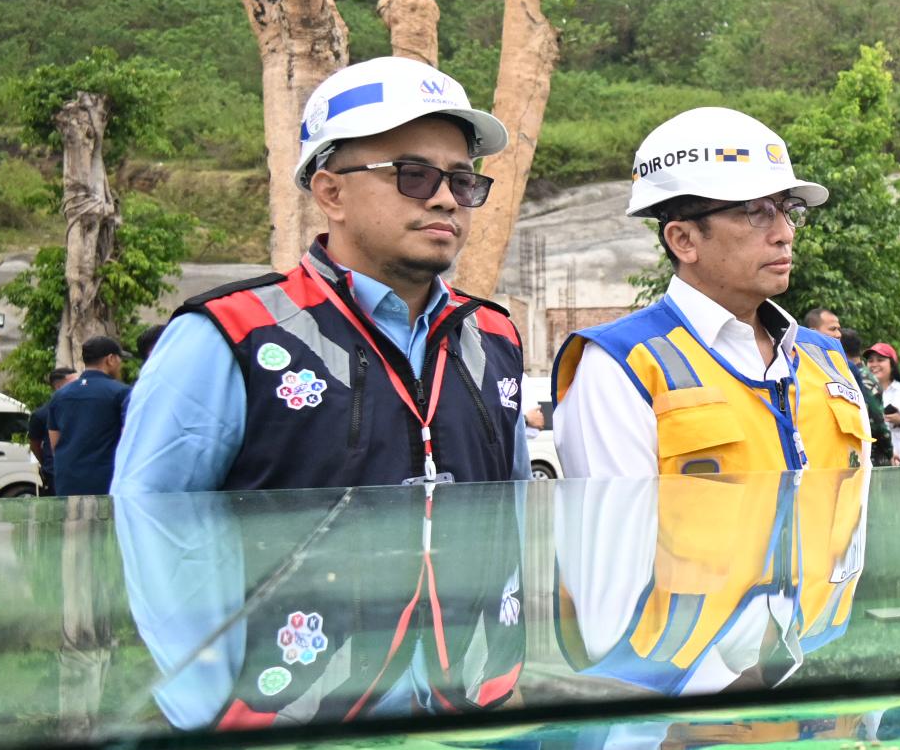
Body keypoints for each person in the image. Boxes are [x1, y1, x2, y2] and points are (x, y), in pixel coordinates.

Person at [117, 56, 526, 496]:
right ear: (331, 193)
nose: (446, 199)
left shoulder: (494, 336)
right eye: (415, 175)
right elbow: (150, 523)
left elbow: (517, 508)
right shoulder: (231, 335)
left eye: (462, 181)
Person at [552, 108, 870, 480]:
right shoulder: (621, 366)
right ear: (683, 240)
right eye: (757, 211)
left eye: (789, 210)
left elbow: (858, 510)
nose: (785, 233)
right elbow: (617, 519)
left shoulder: (826, 358)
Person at [42, 335, 132, 496]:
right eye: (120, 359)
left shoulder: (60, 395)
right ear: (110, 359)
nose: (120, 365)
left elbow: (55, 443)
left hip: (68, 481)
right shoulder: (121, 393)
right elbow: (129, 439)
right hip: (107, 482)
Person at [27, 364, 76, 493]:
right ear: (58, 386)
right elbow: (34, 445)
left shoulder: (81, 409)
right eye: (73, 383)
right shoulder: (41, 414)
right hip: (55, 473)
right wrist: (46, 463)